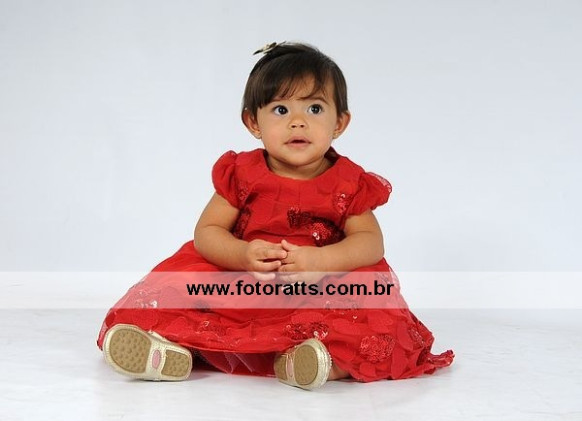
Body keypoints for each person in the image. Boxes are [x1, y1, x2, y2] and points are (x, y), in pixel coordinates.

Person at [97, 42, 454, 390]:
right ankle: (169, 350)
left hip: (317, 286)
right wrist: (242, 254)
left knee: (370, 305)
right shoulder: (242, 173)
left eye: (314, 108)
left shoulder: (348, 182)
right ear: (253, 122)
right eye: (281, 110)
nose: (298, 122)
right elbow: (208, 231)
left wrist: (321, 261)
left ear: (340, 123)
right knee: (182, 288)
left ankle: (320, 361)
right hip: (244, 281)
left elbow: (370, 242)